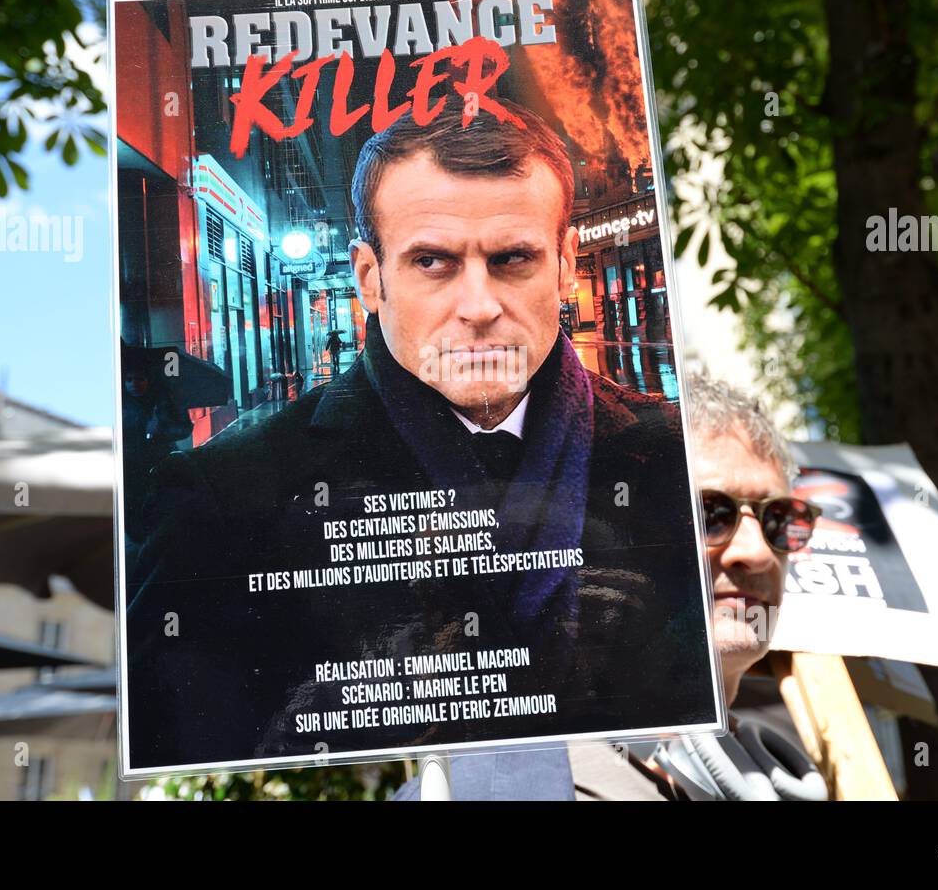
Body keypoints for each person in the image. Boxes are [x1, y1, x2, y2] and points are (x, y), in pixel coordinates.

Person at [124, 102, 712, 770]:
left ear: (562, 261)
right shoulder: (226, 498)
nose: (479, 306)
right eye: (432, 261)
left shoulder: (680, 460)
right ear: (370, 278)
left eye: (513, 257)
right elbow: (175, 756)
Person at [393, 373, 826, 800]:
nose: (757, 552)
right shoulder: (479, 791)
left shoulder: (764, 781)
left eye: (780, 519)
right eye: (707, 512)